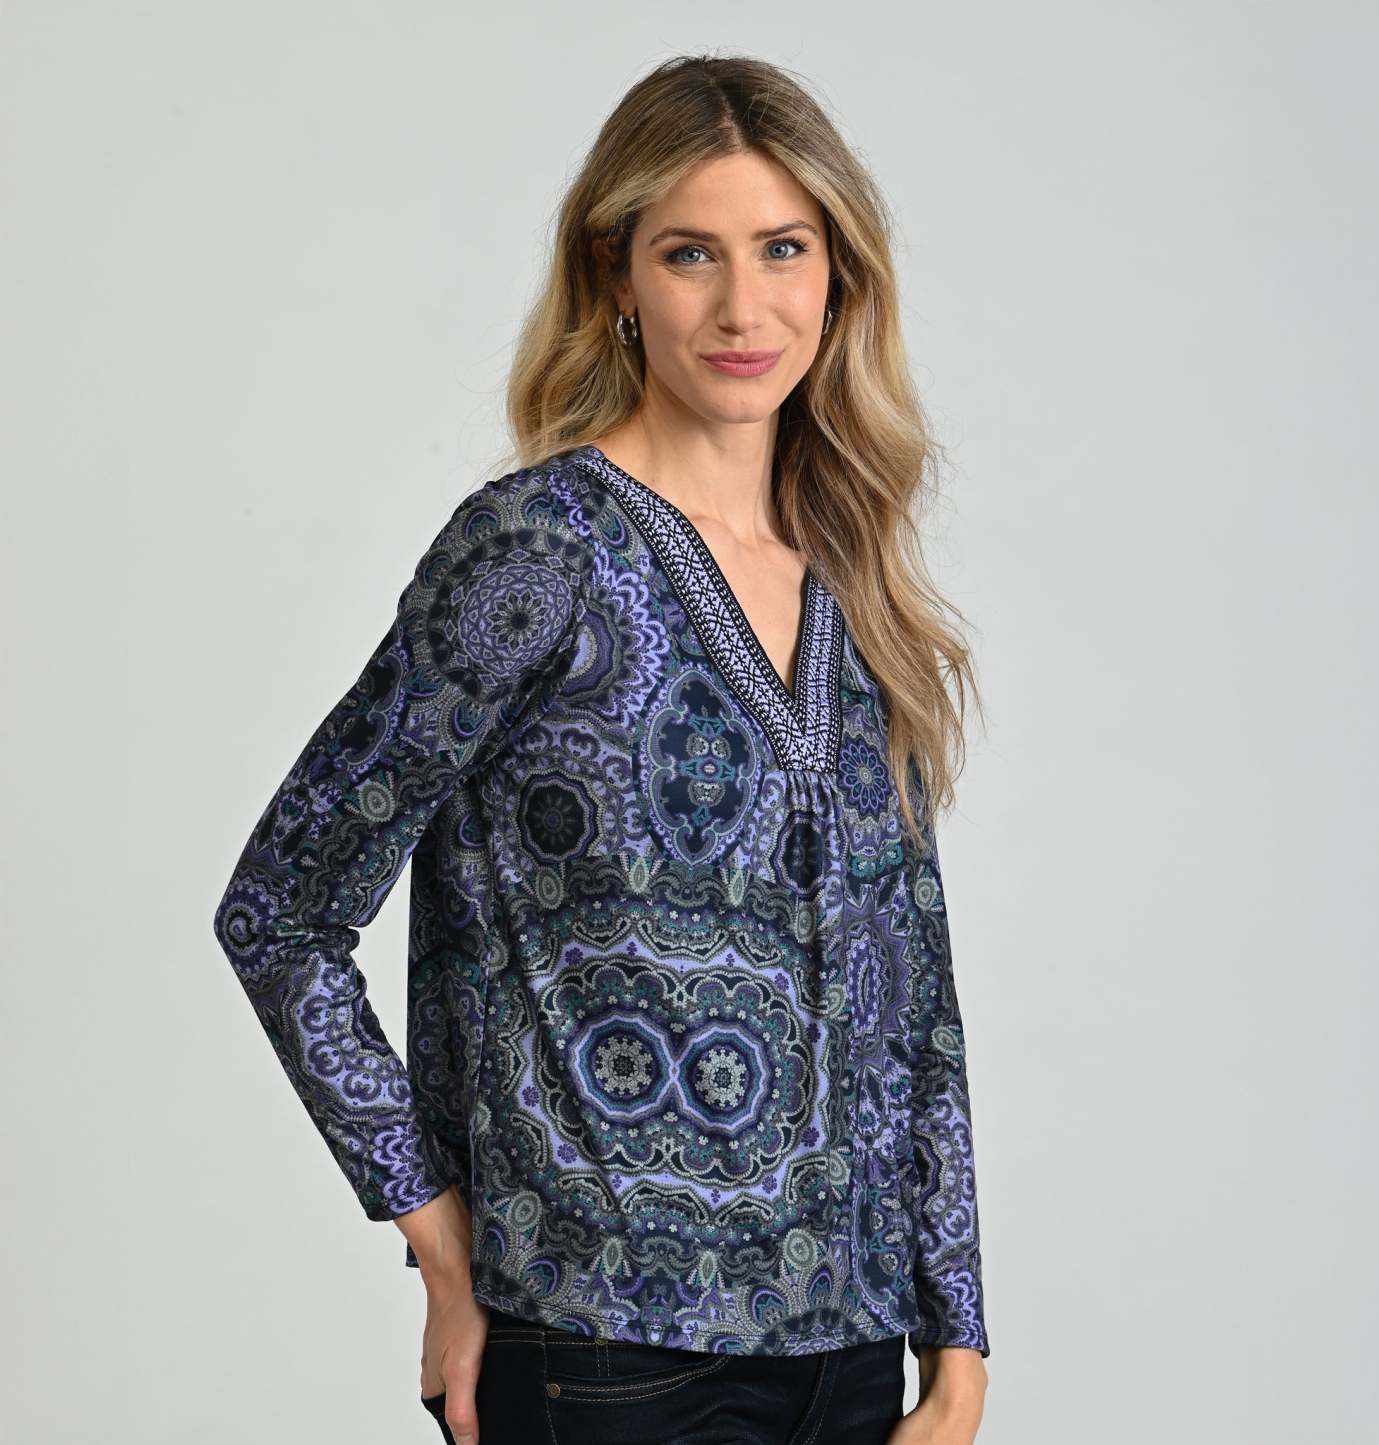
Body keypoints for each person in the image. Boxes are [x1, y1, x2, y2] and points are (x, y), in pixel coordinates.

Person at [212, 51, 991, 1445]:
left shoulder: (855, 584)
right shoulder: (536, 551)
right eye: (691, 253)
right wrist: (440, 1243)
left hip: (854, 1361)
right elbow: (280, 911)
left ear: (838, 279)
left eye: (783, 249)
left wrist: (960, 1339)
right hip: (601, 1352)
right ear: (616, 276)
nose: (742, 305)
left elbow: (913, 1001)